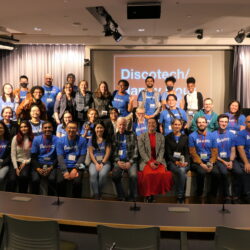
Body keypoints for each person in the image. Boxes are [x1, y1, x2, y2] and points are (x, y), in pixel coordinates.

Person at [138, 118, 173, 202]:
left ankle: (153, 195)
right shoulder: (141, 136)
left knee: (161, 173)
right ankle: (147, 195)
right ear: (147, 124)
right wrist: (150, 162)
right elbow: (142, 151)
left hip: (158, 161)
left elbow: (162, 150)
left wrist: (158, 161)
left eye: (153, 123)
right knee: (147, 174)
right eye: (149, 123)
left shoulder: (161, 136)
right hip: (146, 161)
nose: (151, 124)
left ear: (156, 125)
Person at [213, 114, 243, 204]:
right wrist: (224, 162)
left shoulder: (232, 135)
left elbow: (233, 149)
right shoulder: (213, 135)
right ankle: (227, 195)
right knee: (224, 173)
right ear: (218, 122)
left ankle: (236, 195)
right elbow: (214, 153)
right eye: (222, 121)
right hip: (219, 159)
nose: (224, 123)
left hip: (230, 158)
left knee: (239, 172)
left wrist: (230, 161)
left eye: (226, 122)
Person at [189, 116, 219, 199]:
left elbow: (214, 151)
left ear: (206, 123)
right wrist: (201, 164)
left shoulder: (212, 135)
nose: (201, 124)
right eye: (199, 122)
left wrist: (211, 163)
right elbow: (193, 152)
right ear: (196, 124)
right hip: (197, 162)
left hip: (210, 161)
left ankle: (212, 195)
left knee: (216, 173)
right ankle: (199, 194)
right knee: (201, 172)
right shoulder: (192, 136)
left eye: (203, 122)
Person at [56, 121, 87, 198]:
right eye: (70, 128)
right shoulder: (60, 140)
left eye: (74, 128)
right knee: (60, 181)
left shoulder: (82, 140)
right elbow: (60, 157)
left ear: (77, 130)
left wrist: (75, 169)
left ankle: (77, 202)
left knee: (77, 182)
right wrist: (65, 171)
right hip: (64, 165)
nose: (72, 130)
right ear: (66, 129)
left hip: (78, 165)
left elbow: (82, 156)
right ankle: (62, 200)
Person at [112, 117, 138, 201]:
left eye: (124, 124)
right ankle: (121, 195)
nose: (122, 126)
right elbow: (113, 151)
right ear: (116, 125)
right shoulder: (114, 136)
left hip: (130, 161)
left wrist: (130, 162)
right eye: (120, 124)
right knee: (115, 176)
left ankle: (132, 197)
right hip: (119, 161)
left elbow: (136, 150)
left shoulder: (132, 134)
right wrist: (118, 161)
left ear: (126, 125)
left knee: (133, 176)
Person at [165, 119, 190, 203]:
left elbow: (187, 153)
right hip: (172, 162)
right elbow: (168, 154)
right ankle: (180, 196)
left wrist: (185, 162)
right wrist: (176, 162)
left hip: (184, 162)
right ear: (172, 126)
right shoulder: (167, 137)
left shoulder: (185, 137)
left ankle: (180, 196)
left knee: (182, 170)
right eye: (175, 124)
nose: (177, 126)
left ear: (181, 126)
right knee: (182, 171)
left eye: (179, 124)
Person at [31, 121, 58, 195]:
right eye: (45, 128)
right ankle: (34, 199)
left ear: (52, 128)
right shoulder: (36, 139)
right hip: (39, 163)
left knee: (52, 179)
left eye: (49, 127)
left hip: (51, 164)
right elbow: (33, 157)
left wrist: (51, 168)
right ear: (42, 129)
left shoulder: (57, 140)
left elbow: (58, 157)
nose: (47, 129)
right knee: (35, 180)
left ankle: (51, 200)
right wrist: (38, 168)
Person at [88, 121, 111, 199]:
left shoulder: (107, 138)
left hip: (105, 162)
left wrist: (102, 163)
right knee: (93, 174)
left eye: (101, 127)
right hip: (94, 162)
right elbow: (91, 153)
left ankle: (98, 192)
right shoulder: (91, 139)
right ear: (95, 129)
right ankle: (97, 195)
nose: (99, 129)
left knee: (102, 174)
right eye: (97, 127)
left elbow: (108, 153)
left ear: (104, 129)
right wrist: (96, 164)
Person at [10, 121, 34, 193]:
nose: (23, 128)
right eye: (21, 127)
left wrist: (25, 162)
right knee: (12, 179)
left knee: (24, 176)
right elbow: (13, 154)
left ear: (29, 127)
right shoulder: (15, 138)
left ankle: (22, 195)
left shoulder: (33, 138)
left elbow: (33, 155)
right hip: (16, 161)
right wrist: (16, 168)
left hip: (27, 162)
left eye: (25, 126)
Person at [236, 115, 250, 203]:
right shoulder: (241, 133)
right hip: (245, 159)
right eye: (249, 122)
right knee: (246, 170)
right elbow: (240, 149)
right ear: (245, 123)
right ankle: (246, 195)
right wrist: (246, 163)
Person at [0, 121, 11, 186]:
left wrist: (2, 163)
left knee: (0, 177)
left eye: (1, 128)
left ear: (4, 129)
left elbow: (10, 156)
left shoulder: (9, 141)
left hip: (4, 164)